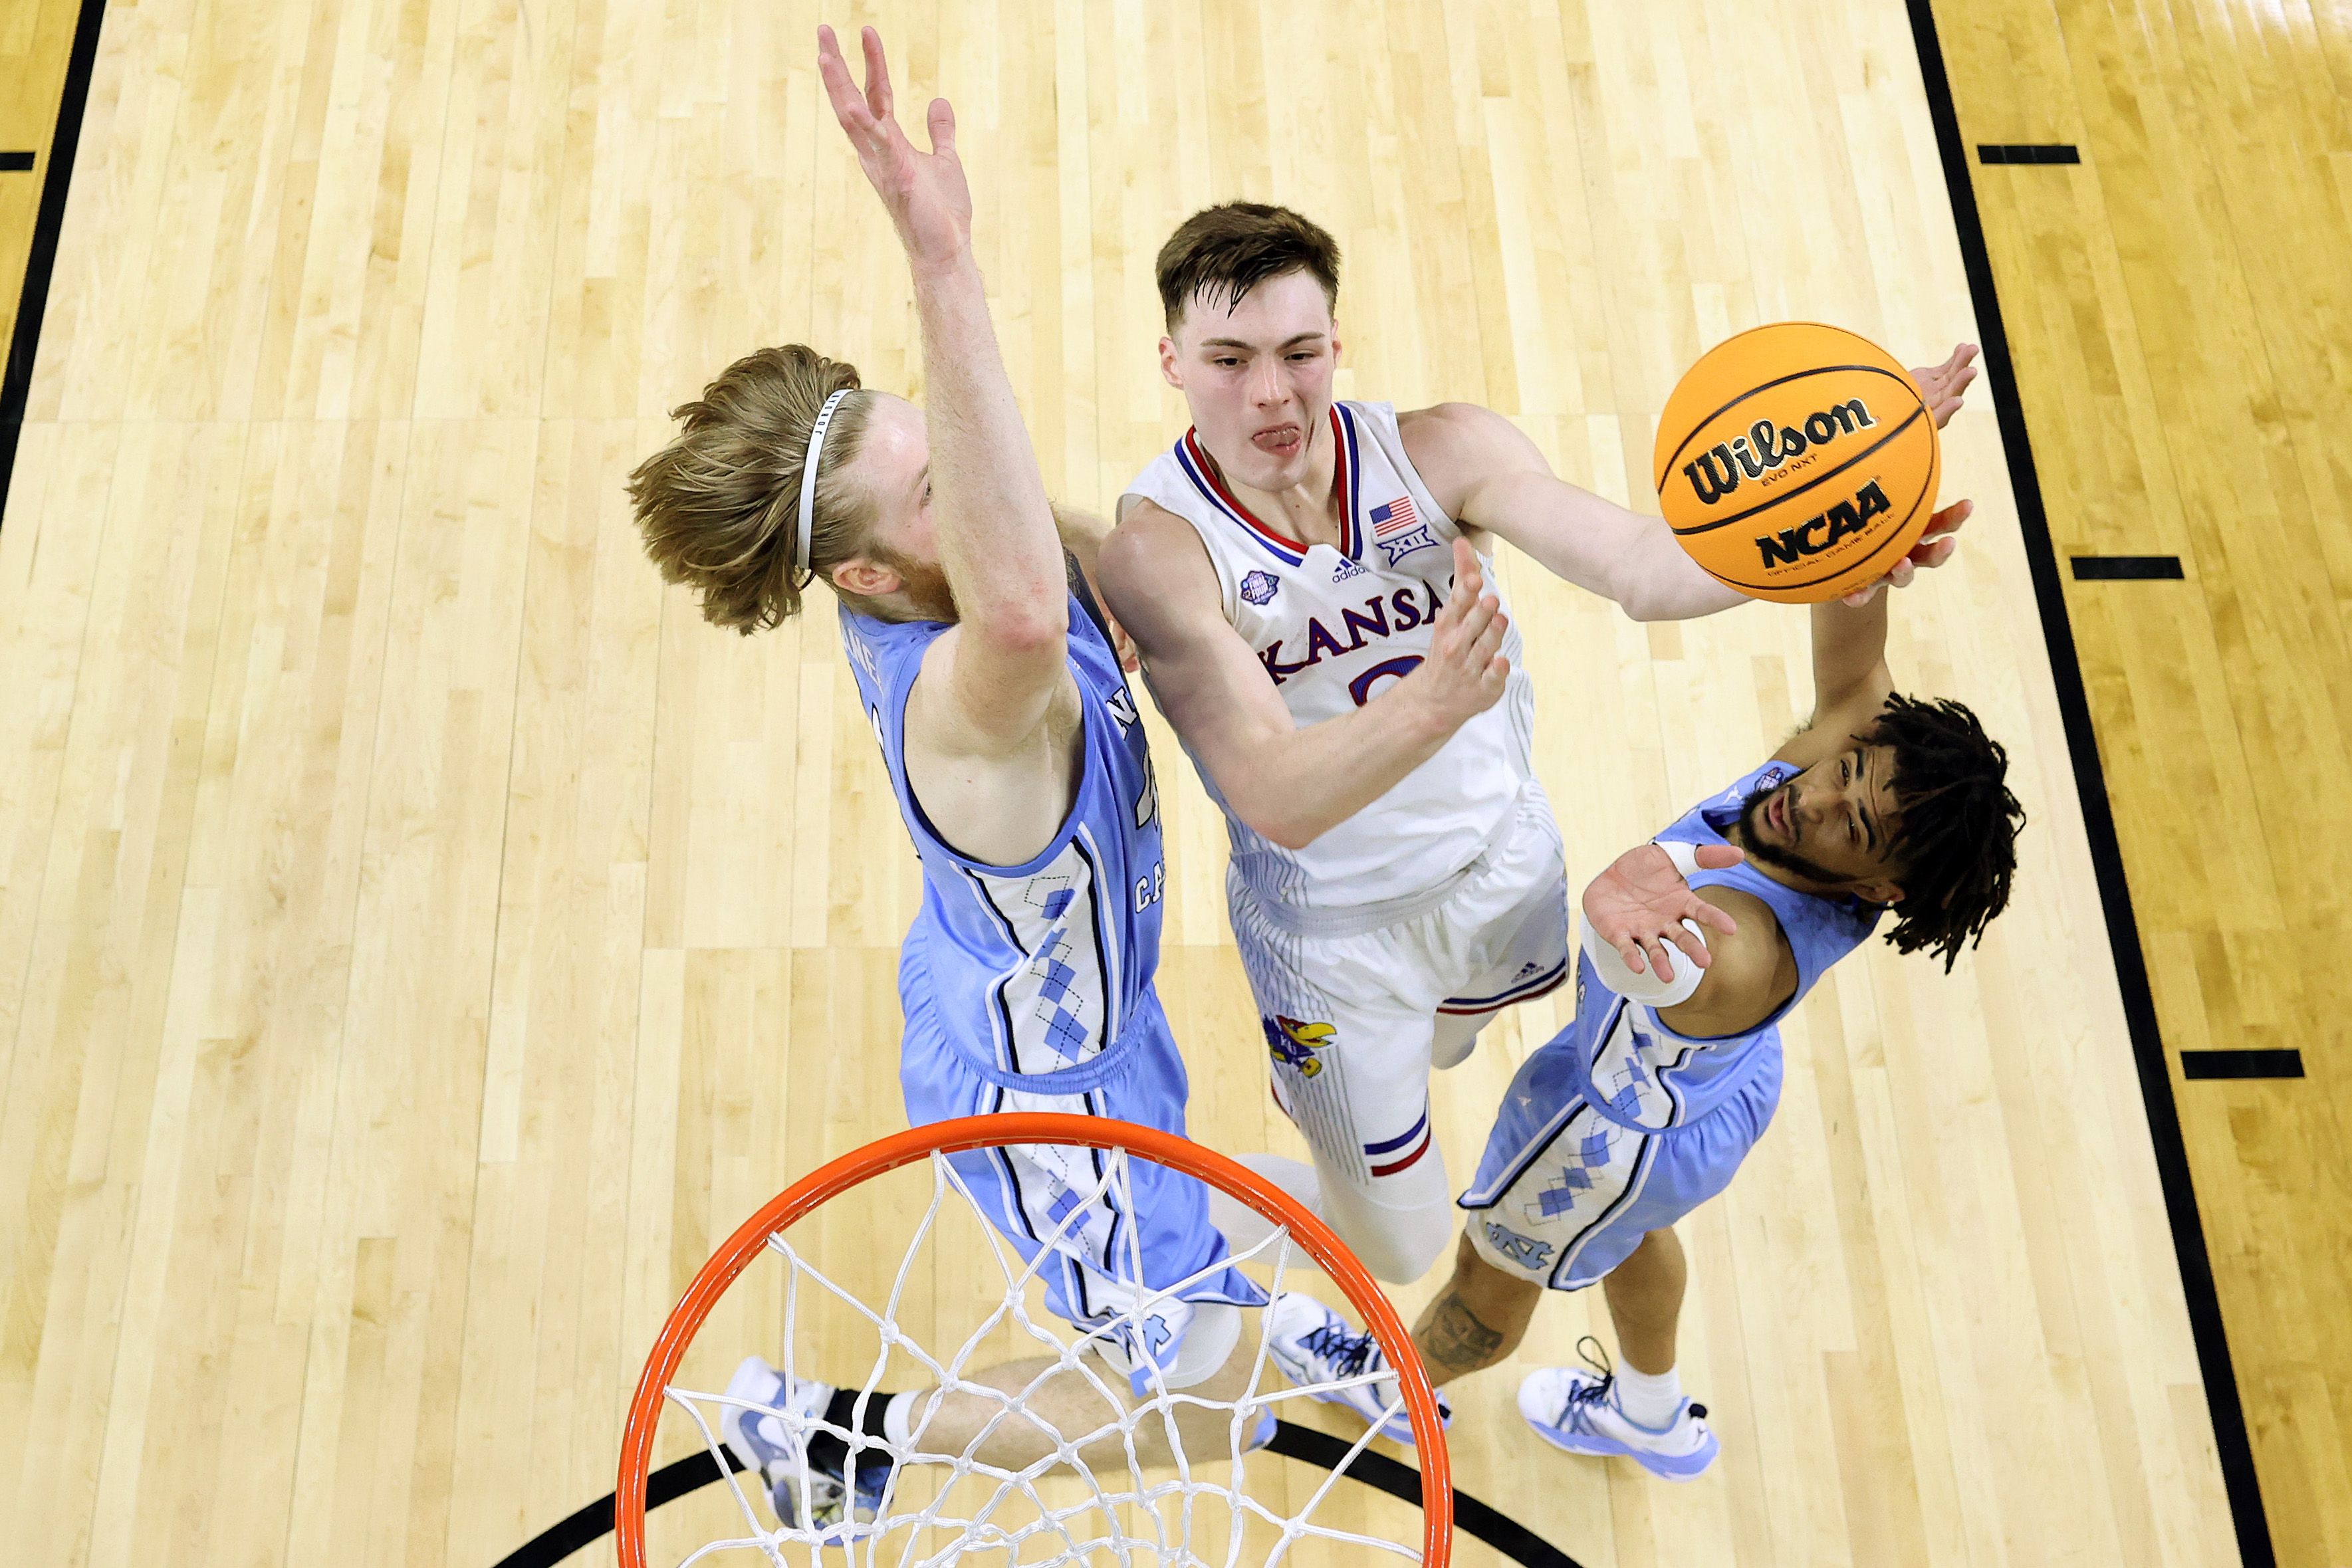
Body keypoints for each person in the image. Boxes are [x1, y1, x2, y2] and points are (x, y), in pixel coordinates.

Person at [623, 29, 1500, 1535]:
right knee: (1204, 1406)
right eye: (933, 488)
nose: (979, 489)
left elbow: (1078, 552)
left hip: (1069, 996)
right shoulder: (973, 701)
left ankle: (1230, 1302)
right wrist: (940, 258)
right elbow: (1033, 607)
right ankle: (844, 1436)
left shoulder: (934, 570)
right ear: (870, 569)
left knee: (1215, 1229)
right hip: (1042, 1086)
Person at [1101, 197, 1982, 1297]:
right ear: (1171, 362)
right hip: (1334, 937)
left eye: (1299, 352)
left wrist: (1840, 515)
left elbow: (1642, 570)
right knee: (1398, 1248)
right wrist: (1429, 704)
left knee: (1455, 1044)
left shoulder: (1439, 450)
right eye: (1228, 359)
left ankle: (1371, 1094)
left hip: (1501, 869)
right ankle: (1148, 1195)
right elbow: (1271, 794)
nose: (1271, 392)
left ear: (1339, 344)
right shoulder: (1163, 551)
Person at [1385, 513, 2025, 1480]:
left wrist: (1612, 918)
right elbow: (1854, 670)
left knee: (1492, 1276)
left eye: (1848, 824)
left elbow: (1684, 973)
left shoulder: (1738, 951)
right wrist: (1871, 495)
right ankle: (1649, 1416)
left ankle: (1392, 1388)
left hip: (1605, 1132)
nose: (1809, 798)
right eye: (1845, 767)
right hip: (1714, 1098)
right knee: (1634, 1229)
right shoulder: (1833, 780)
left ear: (1880, 888)